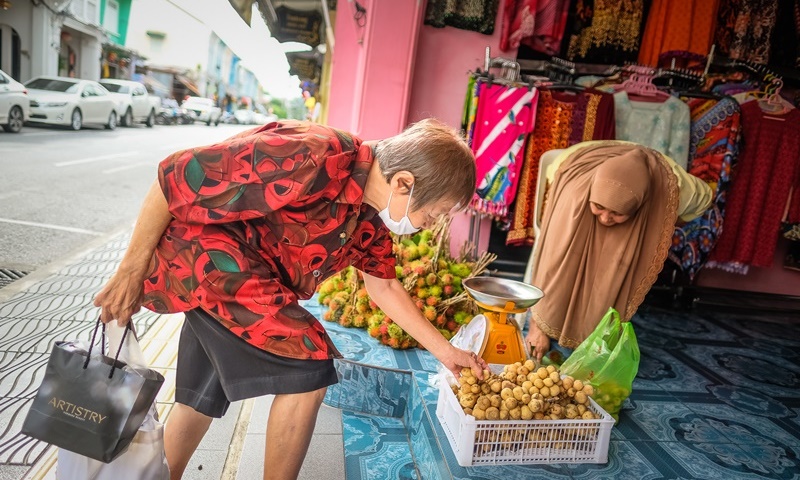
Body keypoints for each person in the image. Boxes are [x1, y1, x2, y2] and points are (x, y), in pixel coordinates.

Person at [93, 119, 488, 480]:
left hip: (242, 281)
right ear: (403, 183)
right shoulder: (316, 155)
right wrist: (130, 270)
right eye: (434, 215)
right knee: (309, 365)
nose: (428, 227)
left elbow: (383, 287)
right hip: (209, 262)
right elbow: (174, 176)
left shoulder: (369, 220)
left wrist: (447, 353)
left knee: (201, 397)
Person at [525, 140, 713, 361]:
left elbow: (706, 199)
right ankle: (543, 326)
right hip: (580, 193)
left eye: (617, 213)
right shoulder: (573, 184)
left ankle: (594, 333)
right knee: (563, 251)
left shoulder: (680, 191)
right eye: (600, 207)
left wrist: (661, 223)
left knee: (617, 264)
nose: (605, 218)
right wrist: (538, 327)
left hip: (653, 201)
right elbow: (551, 262)